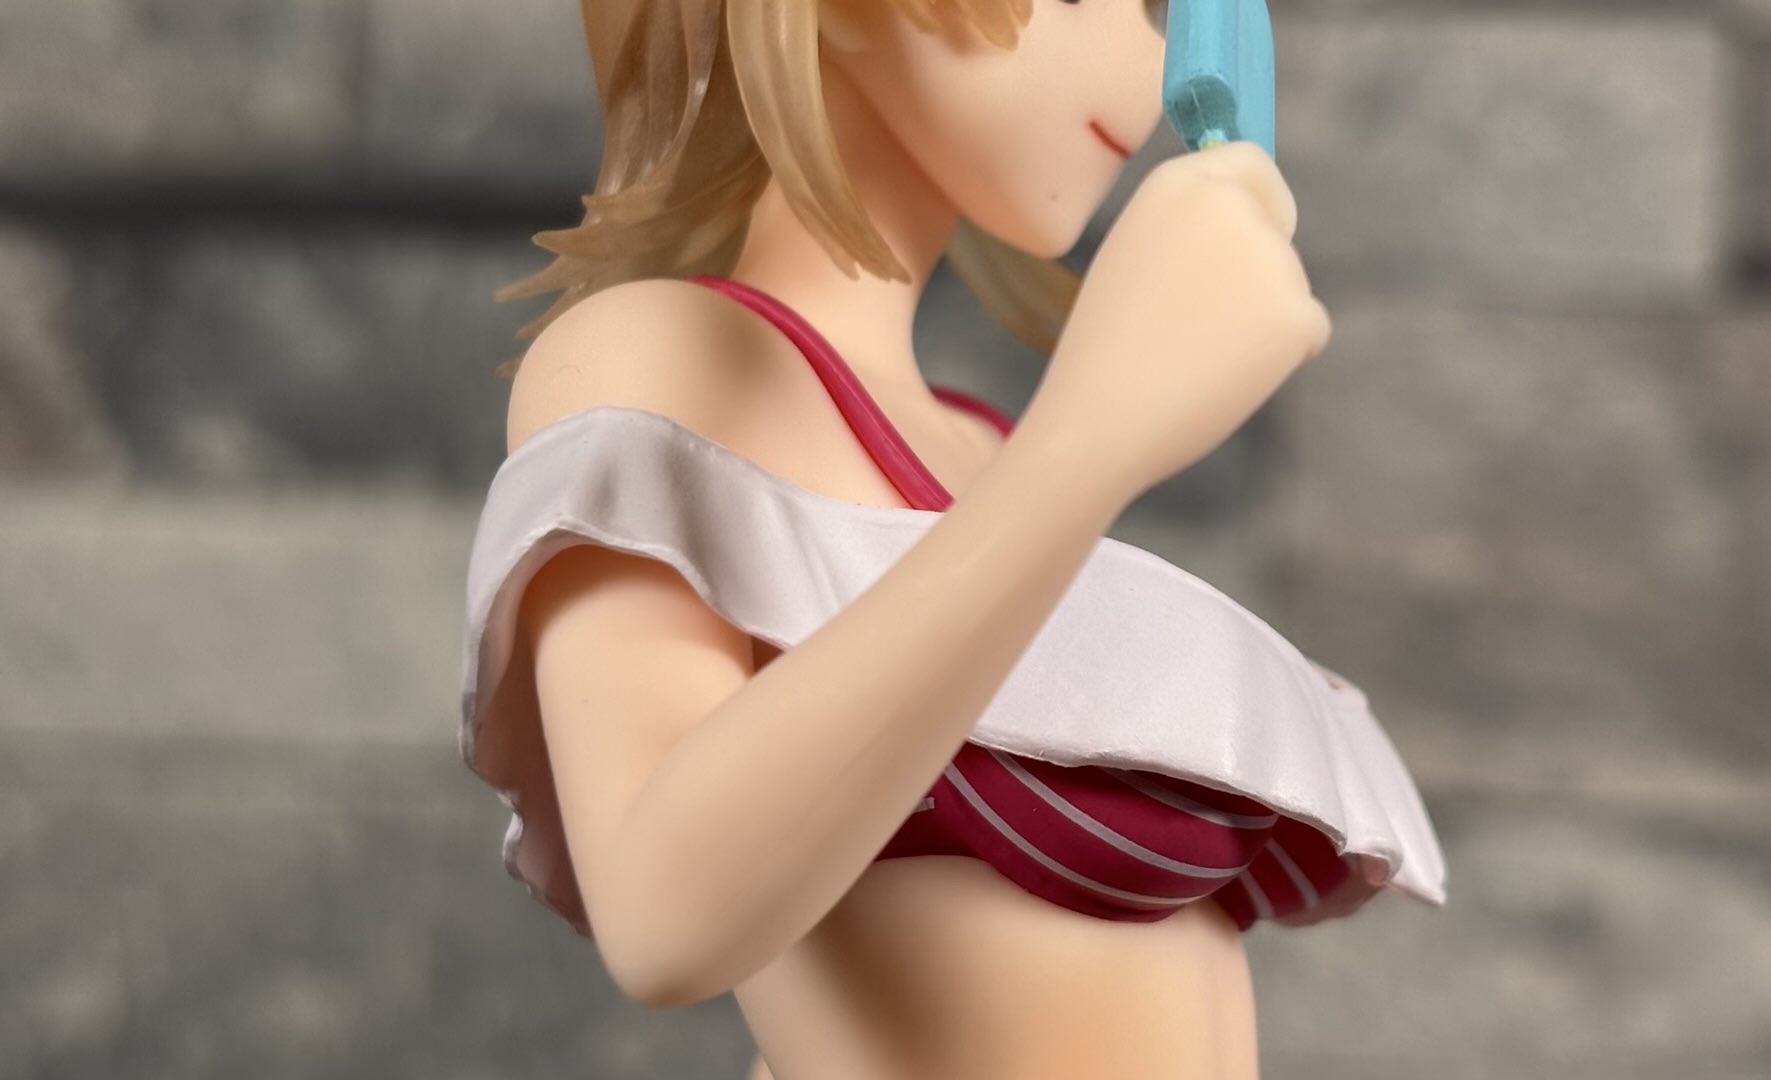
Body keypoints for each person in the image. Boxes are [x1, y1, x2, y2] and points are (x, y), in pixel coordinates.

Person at [457, 2, 1447, 1077]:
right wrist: (1092, 439)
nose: (1147, 63)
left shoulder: (987, 452)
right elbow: (662, 913)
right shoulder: (657, 359)